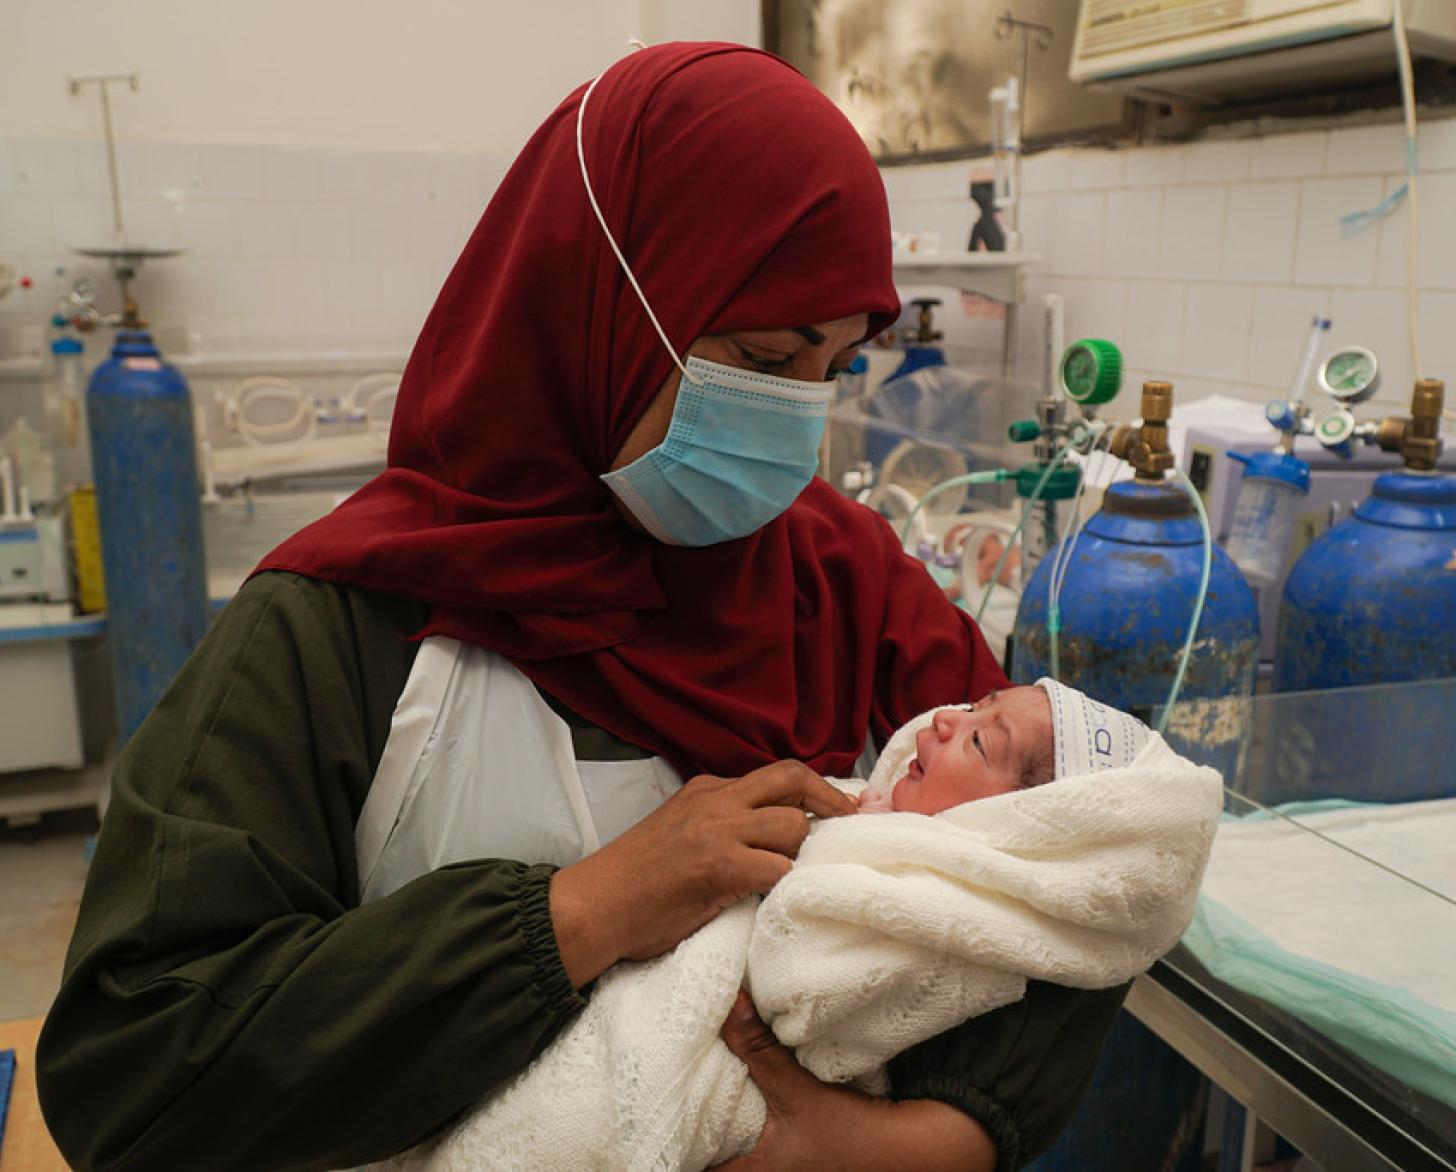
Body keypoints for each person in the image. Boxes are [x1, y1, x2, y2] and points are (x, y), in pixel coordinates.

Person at [38, 43, 1128, 1172]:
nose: (794, 421)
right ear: (601, 304)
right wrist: (577, 914)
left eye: (834, 368)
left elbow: (1084, 862)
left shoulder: (843, 582)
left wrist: (917, 1142)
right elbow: (136, 1067)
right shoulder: (343, 628)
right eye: (760, 357)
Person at [386, 680, 1219, 1172]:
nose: (943, 721)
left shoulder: (948, 910)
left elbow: (803, 977)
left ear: (1027, 833)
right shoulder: (873, 815)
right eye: (973, 704)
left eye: (982, 739)